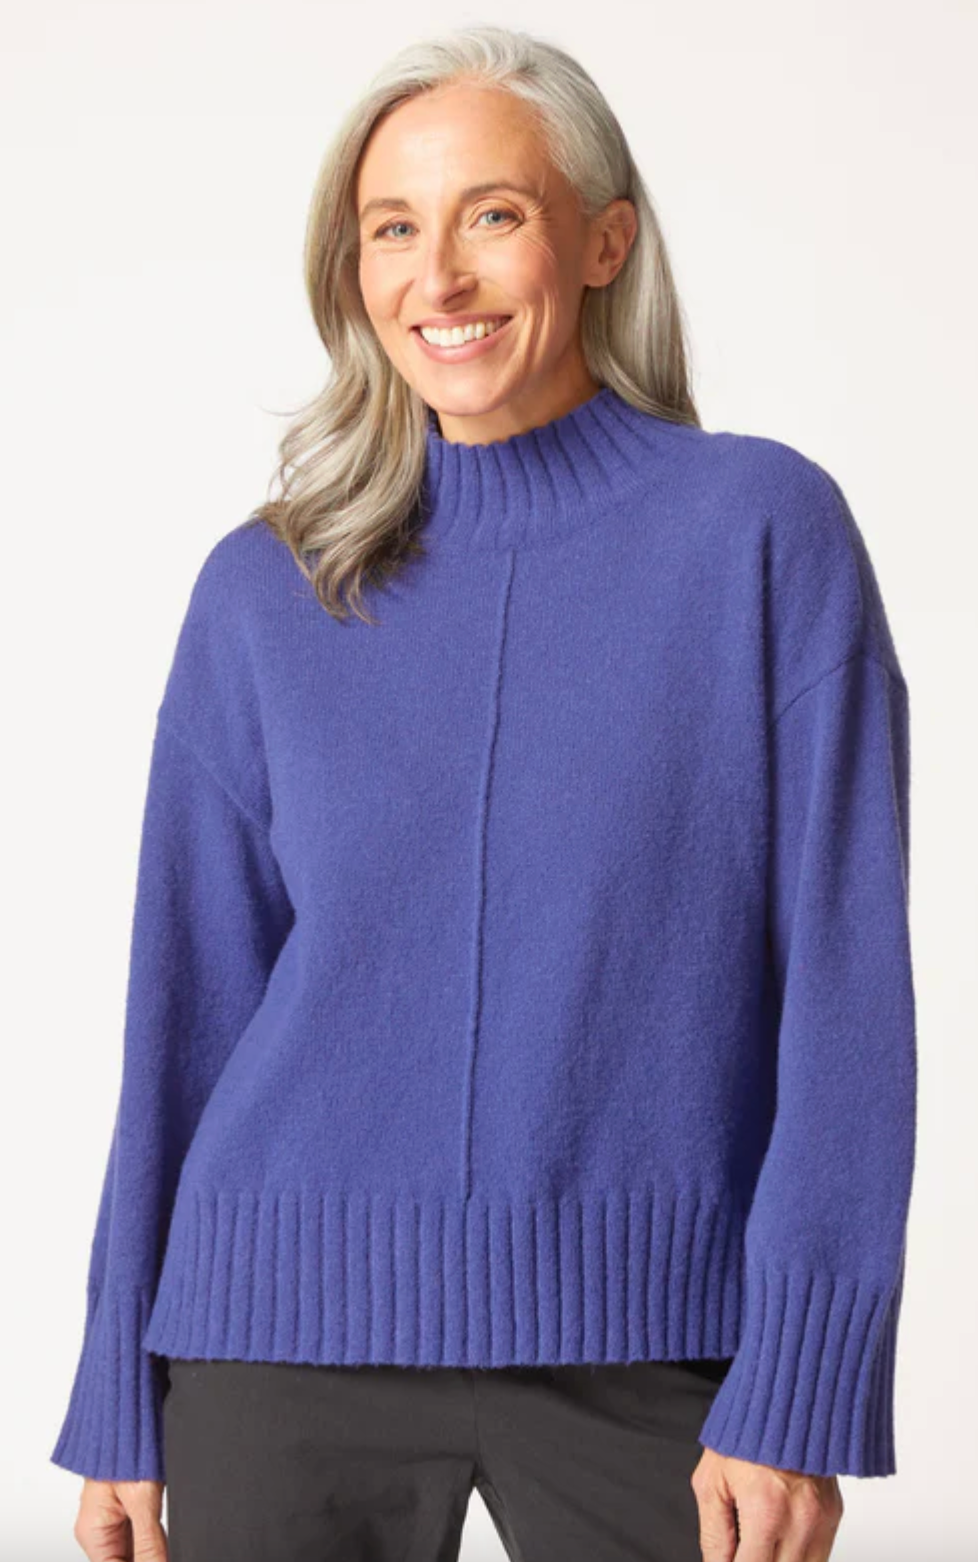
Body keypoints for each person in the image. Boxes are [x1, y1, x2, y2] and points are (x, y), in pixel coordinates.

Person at [51, 23, 916, 1562]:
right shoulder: (266, 588)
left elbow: (846, 999)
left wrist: (800, 1385)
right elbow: (182, 1010)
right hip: (275, 1343)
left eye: (492, 215)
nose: (436, 276)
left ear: (603, 241)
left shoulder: (760, 535)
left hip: (659, 1351)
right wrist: (114, 1387)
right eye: (392, 228)